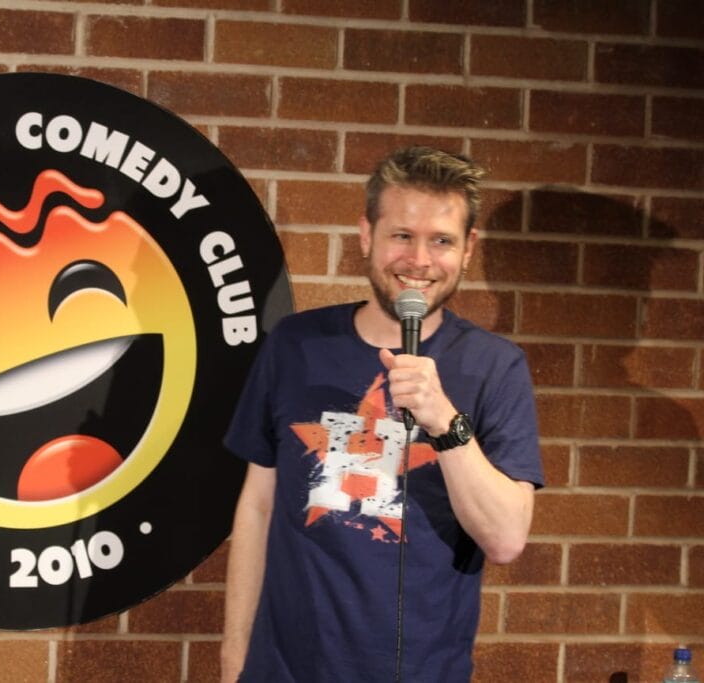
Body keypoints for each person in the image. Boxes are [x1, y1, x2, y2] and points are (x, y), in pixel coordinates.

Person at [220, 146, 544, 682]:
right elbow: (256, 507)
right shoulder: (295, 345)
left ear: (468, 251)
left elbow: (506, 538)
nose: (419, 260)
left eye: (441, 240)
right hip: (284, 669)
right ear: (366, 236)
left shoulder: (495, 367)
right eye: (401, 235)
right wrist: (235, 658)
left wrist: (443, 419)